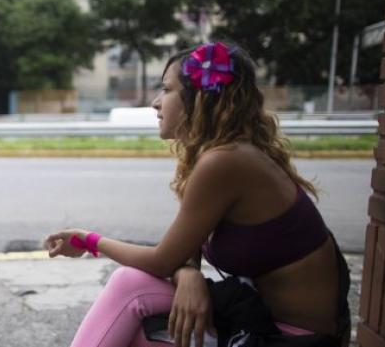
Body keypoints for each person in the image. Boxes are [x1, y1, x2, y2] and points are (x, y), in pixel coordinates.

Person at [44, 42, 349, 347]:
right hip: (258, 320)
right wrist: (188, 274)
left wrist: (88, 240)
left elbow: (162, 260)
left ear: (199, 98)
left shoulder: (225, 161)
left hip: (292, 339)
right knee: (132, 332)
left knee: (130, 286)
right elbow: (184, 248)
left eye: (166, 89)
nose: (155, 102)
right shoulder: (228, 154)